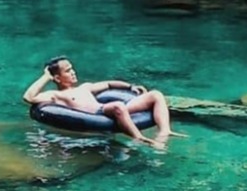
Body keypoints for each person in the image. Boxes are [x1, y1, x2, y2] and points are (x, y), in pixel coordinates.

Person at [23, 56, 185, 147]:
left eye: (72, 68)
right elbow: (29, 97)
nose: (73, 72)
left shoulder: (85, 87)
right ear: (57, 77)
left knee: (156, 94)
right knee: (118, 106)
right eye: (68, 71)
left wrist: (131, 86)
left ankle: (164, 131)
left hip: (104, 109)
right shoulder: (55, 95)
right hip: (98, 114)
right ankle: (139, 137)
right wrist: (46, 76)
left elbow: (109, 84)